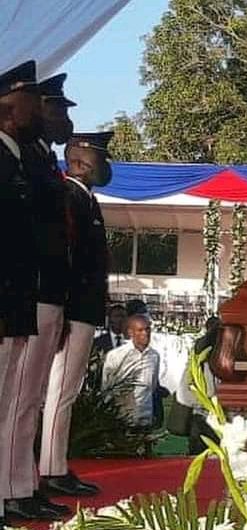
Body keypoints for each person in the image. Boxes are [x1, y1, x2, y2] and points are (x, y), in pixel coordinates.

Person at [1, 73, 76, 522]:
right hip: (22, 297)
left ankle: (19, 486)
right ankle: (13, 489)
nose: (46, 114)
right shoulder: (16, 160)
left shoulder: (34, 160)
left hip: (30, 297)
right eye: (40, 104)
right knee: (14, 401)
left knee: (21, 400)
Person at [39, 131, 114, 498]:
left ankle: (55, 465)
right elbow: (66, 259)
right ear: (81, 160)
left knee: (64, 391)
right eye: (101, 158)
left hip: (83, 310)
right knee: (60, 393)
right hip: (74, 310)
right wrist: (67, 312)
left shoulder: (86, 199)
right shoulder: (71, 197)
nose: (107, 165)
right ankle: (51, 469)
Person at [0, 60, 43, 529]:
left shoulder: (14, 159)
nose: (37, 109)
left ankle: (9, 494)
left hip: (17, 302)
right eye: (29, 99)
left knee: (11, 401)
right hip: (5, 301)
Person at [102, 315, 161, 428]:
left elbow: (152, 386)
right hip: (121, 418)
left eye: (147, 329)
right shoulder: (116, 356)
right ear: (130, 332)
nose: (145, 333)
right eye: (140, 330)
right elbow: (106, 387)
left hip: (146, 417)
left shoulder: (154, 356)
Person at [177, 316, 221, 455]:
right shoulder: (198, 362)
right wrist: (206, 402)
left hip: (225, 425)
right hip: (202, 422)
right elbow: (183, 395)